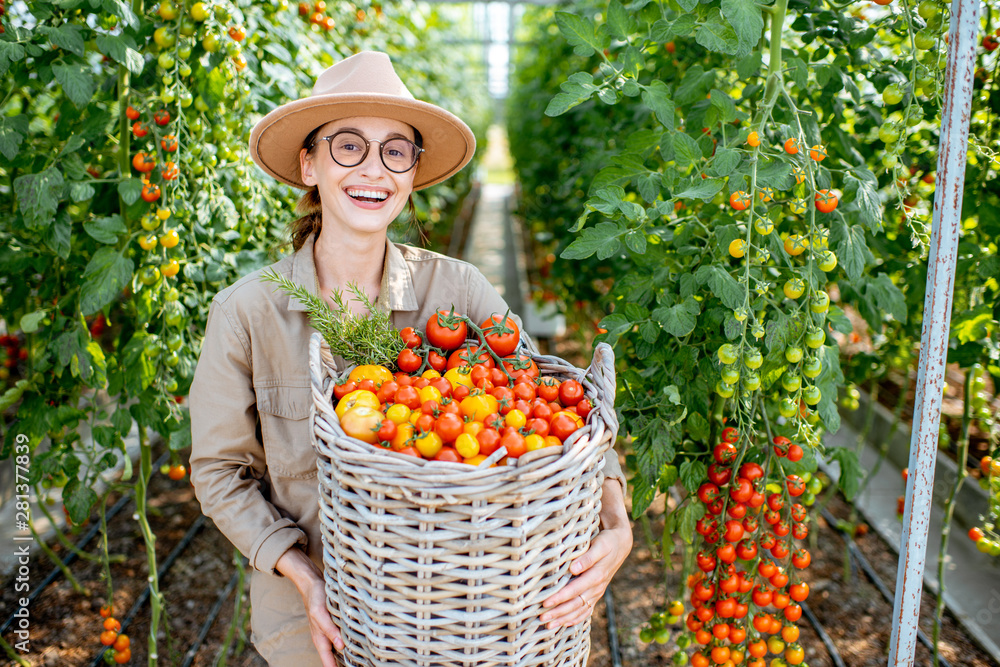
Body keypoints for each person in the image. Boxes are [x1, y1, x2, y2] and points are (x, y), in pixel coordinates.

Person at [189, 51, 632, 667]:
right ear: (309, 164)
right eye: (348, 145)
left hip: (470, 612)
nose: (373, 169)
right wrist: (302, 577)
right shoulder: (248, 313)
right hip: (313, 625)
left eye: (395, 151)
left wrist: (616, 522)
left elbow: (561, 410)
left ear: (412, 174)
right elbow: (218, 473)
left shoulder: (460, 293)